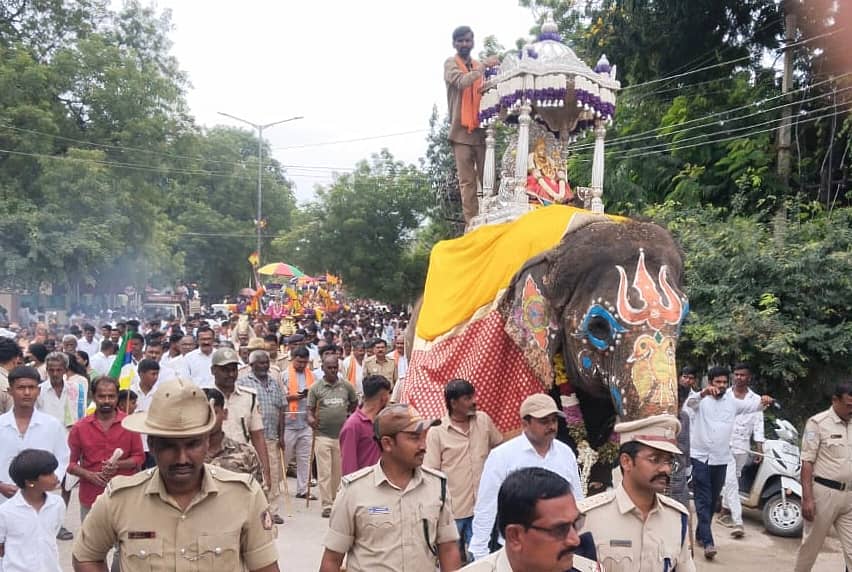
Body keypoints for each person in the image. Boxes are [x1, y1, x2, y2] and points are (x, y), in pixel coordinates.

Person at [71, 377, 280, 571]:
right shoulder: (120, 498)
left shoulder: (244, 495)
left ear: (207, 442)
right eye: (169, 446)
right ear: (151, 445)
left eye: (192, 445)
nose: (182, 458)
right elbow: (85, 556)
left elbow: (265, 567)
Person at [319, 403, 461, 572]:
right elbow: (332, 559)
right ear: (387, 443)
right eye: (414, 438)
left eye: (424, 437)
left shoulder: (437, 486)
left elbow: (448, 548)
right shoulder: (354, 491)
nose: (423, 446)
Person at [469, 393, 583, 560]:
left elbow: (578, 500)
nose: (551, 426)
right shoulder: (502, 456)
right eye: (544, 421)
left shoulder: (565, 453)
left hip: (561, 549)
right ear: (525, 423)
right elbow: (486, 506)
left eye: (554, 420)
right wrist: (480, 551)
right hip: (519, 551)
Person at [579, 415, 696, 571]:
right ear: (626, 462)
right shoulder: (587, 517)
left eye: (669, 461)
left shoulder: (677, 518)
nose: (665, 469)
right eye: (655, 459)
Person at [685, 366, 773, 559]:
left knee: (713, 498)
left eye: (725, 382)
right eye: (718, 382)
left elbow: (755, 406)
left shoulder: (732, 403)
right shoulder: (700, 400)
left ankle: (701, 532)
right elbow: (689, 404)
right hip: (700, 457)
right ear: (711, 383)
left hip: (721, 458)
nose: (722, 385)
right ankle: (708, 542)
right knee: (703, 498)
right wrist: (703, 393)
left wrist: (765, 401)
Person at [424, 378, 503, 561]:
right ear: (453, 403)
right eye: (468, 398)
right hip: (453, 512)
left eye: (473, 396)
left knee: (483, 560)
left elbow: (499, 450)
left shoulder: (483, 421)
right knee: (453, 561)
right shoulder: (437, 432)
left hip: (485, 509)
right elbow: (431, 473)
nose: (474, 401)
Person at [459, 467, 590, 572]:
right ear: (515, 536)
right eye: (560, 529)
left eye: (575, 523)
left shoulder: (588, 569)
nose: (575, 540)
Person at [67, 376, 144, 524]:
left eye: (111, 396)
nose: (107, 401)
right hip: (91, 494)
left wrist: (118, 465)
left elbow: (139, 457)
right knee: (90, 543)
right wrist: (89, 475)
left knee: (124, 544)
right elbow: (70, 464)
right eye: (102, 396)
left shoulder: (129, 424)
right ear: (94, 397)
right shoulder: (80, 428)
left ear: (117, 397)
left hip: (123, 494)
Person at [794, 381, 852, 572]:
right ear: (835, 400)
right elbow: (807, 462)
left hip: (849, 497)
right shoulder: (818, 423)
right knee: (810, 546)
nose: (851, 409)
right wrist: (808, 498)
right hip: (823, 495)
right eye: (849, 405)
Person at [444, 25, 499, 224]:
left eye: (468, 40)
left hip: (482, 131)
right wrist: (483, 66)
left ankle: (492, 220)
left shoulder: (477, 65)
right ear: (454, 44)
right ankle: (472, 225)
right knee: (467, 183)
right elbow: (461, 82)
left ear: (473, 42)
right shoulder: (451, 63)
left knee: (489, 179)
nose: (464, 44)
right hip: (460, 134)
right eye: (461, 41)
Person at [37, 351, 88, 540]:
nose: (55, 373)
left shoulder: (76, 389)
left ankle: (58, 523)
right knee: (45, 485)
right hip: (45, 444)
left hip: (69, 442)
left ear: (65, 370)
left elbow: (80, 416)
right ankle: (43, 522)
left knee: (67, 485)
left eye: (59, 369)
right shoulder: (40, 391)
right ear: (47, 371)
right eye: (51, 370)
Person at [0, 367, 69, 507]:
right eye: (21, 388)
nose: (27, 393)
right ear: (10, 391)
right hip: (4, 499)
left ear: (38, 391)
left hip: (42, 501)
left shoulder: (52, 425)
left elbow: (63, 458)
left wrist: (48, 482)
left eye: (31, 387)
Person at [210, 347, 272, 488]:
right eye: (225, 370)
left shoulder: (249, 397)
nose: (231, 374)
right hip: (212, 463)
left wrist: (266, 473)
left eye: (234, 369)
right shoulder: (204, 397)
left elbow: (257, 436)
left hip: (242, 463)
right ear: (213, 371)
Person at [307, 353, 358, 517]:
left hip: (341, 436)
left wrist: (350, 418)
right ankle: (326, 505)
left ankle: (336, 500)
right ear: (323, 368)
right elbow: (309, 410)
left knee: (338, 471)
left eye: (335, 367)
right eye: (329, 368)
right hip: (322, 435)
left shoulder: (346, 386)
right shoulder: (316, 388)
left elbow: (354, 403)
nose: (333, 370)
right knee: (324, 472)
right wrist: (311, 419)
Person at [239, 349, 286, 524]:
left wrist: (282, 435)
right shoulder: (243, 383)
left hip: (271, 436)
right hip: (251, 438)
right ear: (251, 365)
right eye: (261, 363)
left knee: (273, 473)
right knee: (252, 473)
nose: (265, 366)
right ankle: (252, 510)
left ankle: (272, 510)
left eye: (266, 362)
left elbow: (282, 409)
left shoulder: (274, 383)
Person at [717, 362, 764, 538]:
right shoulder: (724, 395)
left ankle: (724, 510)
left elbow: (759, 425)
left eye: (742, 375)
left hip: (742, 445)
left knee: (734, 477)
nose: (738, 378)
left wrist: (759, 447)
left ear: (748, 377)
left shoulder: (755, 399)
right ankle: (738, 521)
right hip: (724, 444)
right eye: (736, 374)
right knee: (730, 480)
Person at [0, 449, 64, 572]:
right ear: (30, 482)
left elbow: (53, 533)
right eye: (48, 473)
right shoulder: (6, 512)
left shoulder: (57, 504)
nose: (55, 476)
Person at [203, 387, 265, 485]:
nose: (209, 419)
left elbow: (258, 495)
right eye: (204, 414)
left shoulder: (246, 453)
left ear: (225, 414)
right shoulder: (188, 455)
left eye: (214, 413)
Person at [339, 374, 391, 475]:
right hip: (364, 485)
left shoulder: (383, 420)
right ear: (383, 397)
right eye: (388, 394)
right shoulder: (353, 425)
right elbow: (348, 466)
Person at [282, 347, 315, 500]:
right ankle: (274, 488)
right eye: (299, 361)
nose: (302, 365)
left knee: (305, 458)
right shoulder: (284, 376)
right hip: (289, 423)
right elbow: (280, 399)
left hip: (306, 423)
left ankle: (303, 490)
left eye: (304, 362)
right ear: (292, 359)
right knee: (284, 459)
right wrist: (294, 397)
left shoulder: (312, 376)